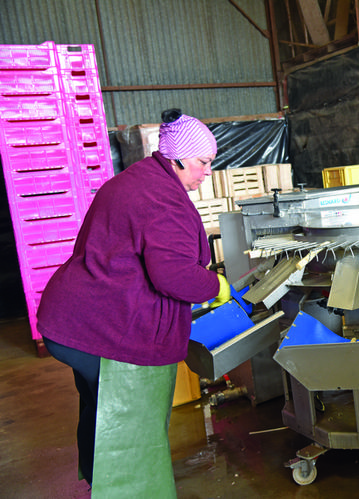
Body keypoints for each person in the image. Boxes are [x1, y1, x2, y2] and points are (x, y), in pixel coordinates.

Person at [36, 109, 231, 497]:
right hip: (105, 330)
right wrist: (216, 285)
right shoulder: (163, 200)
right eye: (202, 163)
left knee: (100, 408)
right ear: (177, 157)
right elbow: (174, 275)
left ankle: (100, 481)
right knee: (131, 427)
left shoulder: (138, 180)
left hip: (76, 321)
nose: (207, 172)